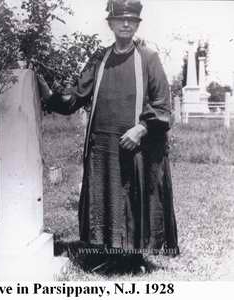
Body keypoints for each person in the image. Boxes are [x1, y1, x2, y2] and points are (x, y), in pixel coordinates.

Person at [38, 0, 179, 272]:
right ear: (111, 24)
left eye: (131, 20)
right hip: (103, 145)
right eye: (120, 19)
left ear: (137, 24)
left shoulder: (148, 58)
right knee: (106, 197)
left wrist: (141, 129)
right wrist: (48, 93)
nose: (126, 24)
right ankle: (108, 254)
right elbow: (76, 96)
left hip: (136, 146)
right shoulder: (99, 59)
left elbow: (163, 106)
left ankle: (133, 257)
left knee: (134, 197)